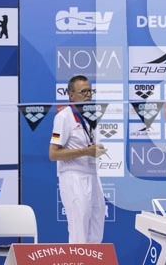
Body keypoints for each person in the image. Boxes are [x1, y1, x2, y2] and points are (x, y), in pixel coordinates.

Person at [49, 75, 108, 243]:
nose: (88, 95)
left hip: (92, 175)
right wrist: (85, 151)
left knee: (97, 227)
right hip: (73, 177)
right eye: (83, 92)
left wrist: (94, 150)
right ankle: (76, 257)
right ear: (71, 95)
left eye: (90, 91)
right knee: (79, 230)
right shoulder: (63, 117)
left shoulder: (91, 117)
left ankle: (93, 258)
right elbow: (53, 154)